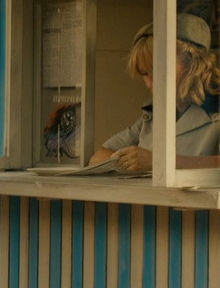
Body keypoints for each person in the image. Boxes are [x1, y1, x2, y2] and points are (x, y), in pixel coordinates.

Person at [90, 13, 220, 171]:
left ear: (193, 64)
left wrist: (159, 161)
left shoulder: (215, 110)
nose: (150, 84)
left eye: (157, 71)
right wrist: (132, 161)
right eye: (145, 74)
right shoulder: (153, 116)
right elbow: (98, 157)